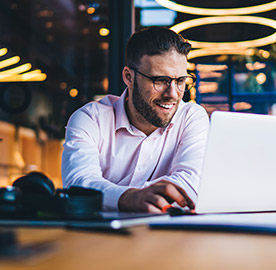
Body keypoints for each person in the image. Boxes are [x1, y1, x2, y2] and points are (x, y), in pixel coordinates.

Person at [61, 26, 209, 213]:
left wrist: (125, 196)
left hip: (169, 236)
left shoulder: (191, 117)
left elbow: (190, 183)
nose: (172, 94)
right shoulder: (90, 119)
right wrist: (129, 197)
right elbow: (79, 183)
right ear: (129, 77)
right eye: (160, 80)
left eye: (180, 81)